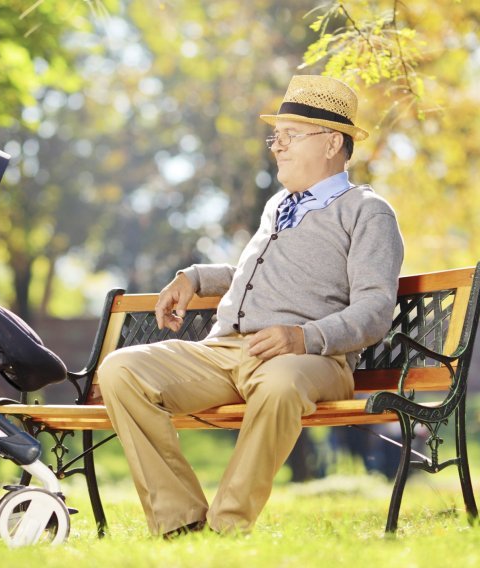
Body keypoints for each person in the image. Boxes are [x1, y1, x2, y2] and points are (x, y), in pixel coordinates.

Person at [97, 75, 404, 538]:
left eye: (290, 136)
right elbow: (250, 274)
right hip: (225, 351)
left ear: (332, 143)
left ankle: (228, 526)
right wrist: (195, 277)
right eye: (275, 137)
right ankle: (179, 521)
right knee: (121, 370)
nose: (277, 147)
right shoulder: (278, 205)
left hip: (310, 359)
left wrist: (302, 337)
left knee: (281, 383)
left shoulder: (367, 211)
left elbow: (375, 309)